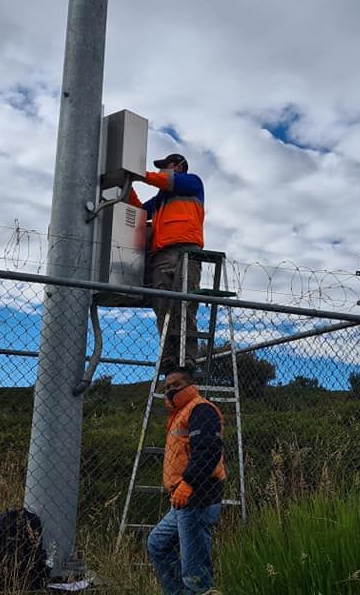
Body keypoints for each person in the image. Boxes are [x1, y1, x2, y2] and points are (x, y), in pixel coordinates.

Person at [147, 366, 225, 595]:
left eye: (176, 385)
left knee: (195, 571)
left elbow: (208, 451)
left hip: (198, 496)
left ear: (190, 385)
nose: (170, 390)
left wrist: (188, 483)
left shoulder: (201, 409)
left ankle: (198, 591)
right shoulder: (180, 414)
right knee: (158, 544)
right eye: (167, 387)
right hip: (183, 498)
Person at [128, 152, 204, 373]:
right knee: (163, 306)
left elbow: (166, 180)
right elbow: (140, 212)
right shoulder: (161, 199)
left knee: (185, 305)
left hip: (187, 251)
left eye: (167, 166)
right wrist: (127, 185)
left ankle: (188, 358)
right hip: (161, 254)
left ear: (180, 166)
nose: (163, 170)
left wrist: (137, 173)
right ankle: (169, 356)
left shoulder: (192, 183)